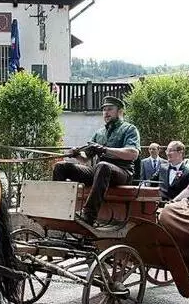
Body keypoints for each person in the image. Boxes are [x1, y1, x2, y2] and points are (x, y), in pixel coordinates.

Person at [52, 96, 140, 226]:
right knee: (61, 167)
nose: (106, 112)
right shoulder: (99, 133)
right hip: (100, 171)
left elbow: (133, 154)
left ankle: (89, 215)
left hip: (122, 172)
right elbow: (85, 159)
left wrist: (105, 150)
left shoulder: (130, 129)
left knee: (103, 166)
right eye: (104, 110)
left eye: (110, 109)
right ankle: (60, 209)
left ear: (120, 112)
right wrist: (76, 154)